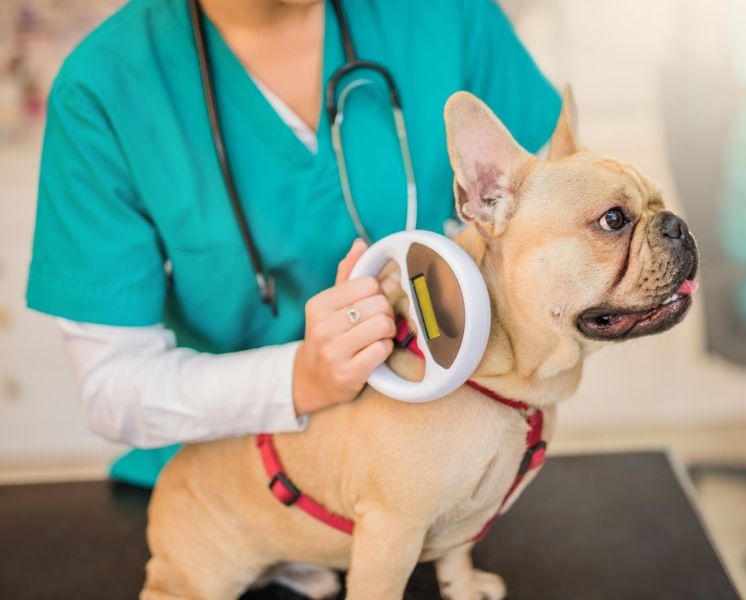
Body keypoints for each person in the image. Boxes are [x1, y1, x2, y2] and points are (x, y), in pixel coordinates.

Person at [26, 0, 561, 488]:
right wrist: (302, 377)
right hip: (226, 488)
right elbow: (114, 390)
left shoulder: (445, 17)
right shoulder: (105, 88)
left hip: (440, 465)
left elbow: (558, 225)